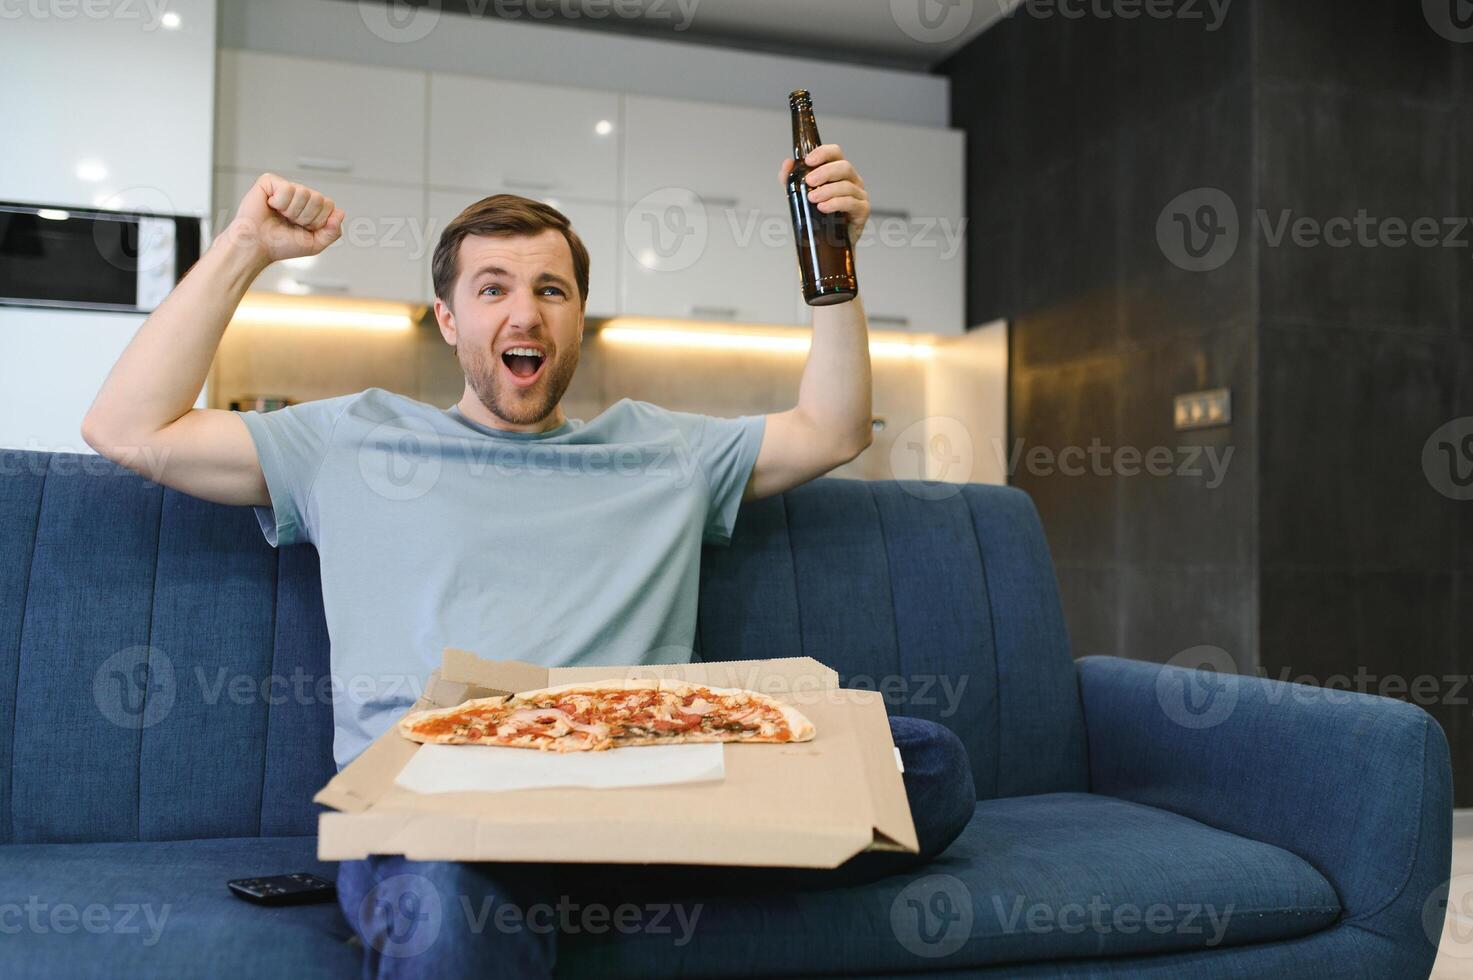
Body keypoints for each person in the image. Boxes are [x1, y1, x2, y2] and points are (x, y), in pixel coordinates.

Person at [82, 146, 974, 978]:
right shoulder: (349, 438)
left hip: (646, 787)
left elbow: (833, 428)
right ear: (446, 317)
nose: (525, 311)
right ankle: (571, 891)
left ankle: (596, 875)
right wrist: (243, 246)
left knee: (923, 763)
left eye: (551, 289)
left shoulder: (665, 450)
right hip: (439, 806)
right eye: (493, 287)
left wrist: (834, 260)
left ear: (577, 316)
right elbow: (128, 428)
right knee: (450, 899)